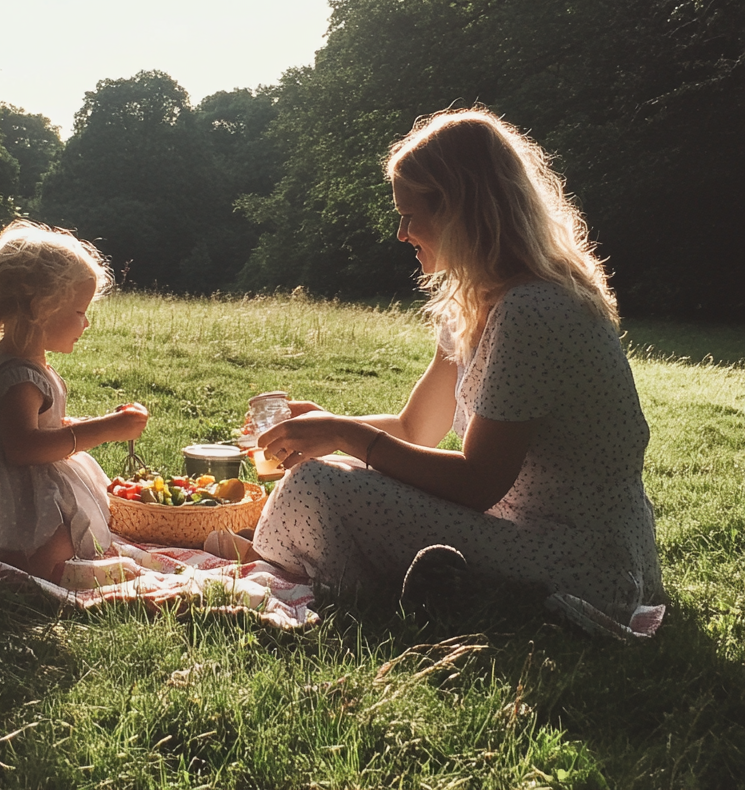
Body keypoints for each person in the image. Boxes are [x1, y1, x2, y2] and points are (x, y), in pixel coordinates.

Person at [249, 107, 665, 628]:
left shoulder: (533, 309)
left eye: (409, 214)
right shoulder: (477, 304)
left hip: (579, 561)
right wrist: (330, 427)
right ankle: (409, 586)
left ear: (460, 211)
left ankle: (340, 578)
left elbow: (478, 483)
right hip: (513, 531)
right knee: (332, 473)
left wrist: (344, 434)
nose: (401, 233)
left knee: (319, 486)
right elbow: (414, 430)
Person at [0, 220, 148, 583]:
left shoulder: (18, 362)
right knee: (63, 543)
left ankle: (4, 552)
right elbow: (23, 448)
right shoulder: (19, 377)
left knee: (81, 527)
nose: (87, 323)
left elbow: (35, 425)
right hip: (8, 489)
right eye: (80, 311)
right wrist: (107, 430)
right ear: (40, 308)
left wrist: (84, 423)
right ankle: (23, 565)